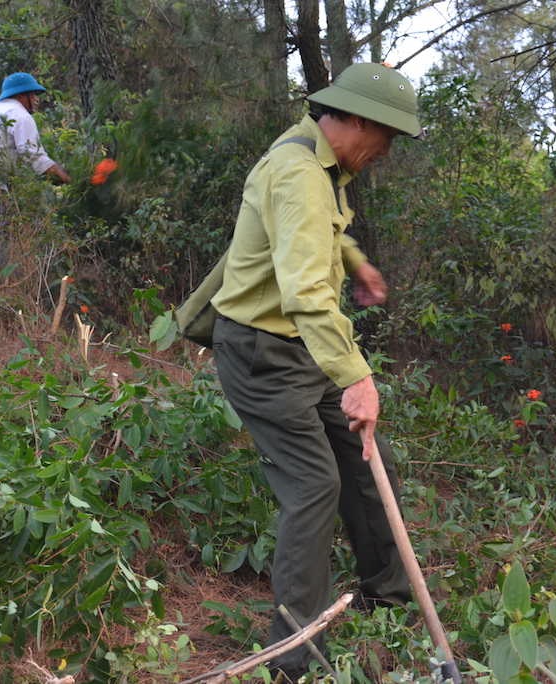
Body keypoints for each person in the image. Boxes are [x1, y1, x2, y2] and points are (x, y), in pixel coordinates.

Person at [210, 63, 421, 681]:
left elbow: (316, 230)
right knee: (314, 487)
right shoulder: (299, 170)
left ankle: (388, 602)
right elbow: (304, 292)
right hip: (263, 354)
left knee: (365, 462)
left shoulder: (319, 161)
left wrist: (354, 261)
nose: (385, 151)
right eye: (384, 137)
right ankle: (290, 656)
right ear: (354, 119)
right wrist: (358, 378)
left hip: (302, 348)